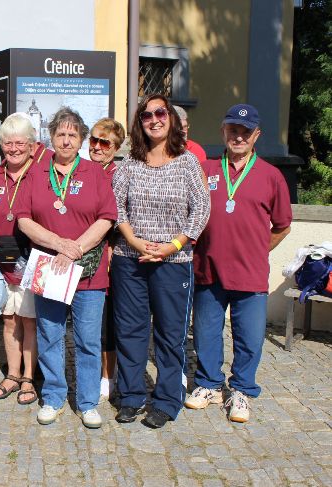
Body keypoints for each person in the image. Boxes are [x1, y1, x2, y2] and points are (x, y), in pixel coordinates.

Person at [186, 104, 291, 423]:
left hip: (250, 273)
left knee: (249, 337)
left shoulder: (271, 176)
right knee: (206, 332)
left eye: (246, 132)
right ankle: (209, 384)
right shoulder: (206, 169)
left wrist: (258, 249)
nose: (239, 137)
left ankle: (242, 390)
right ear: (223, 131)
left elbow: (283, 225)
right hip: (209, 268)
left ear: (256, 135)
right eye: (233, 130)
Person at [111, 94, 210, 428]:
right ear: (140, 123)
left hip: (173, 261)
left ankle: (167, 401)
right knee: (131, 331)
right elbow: (116, 206)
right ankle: (131, 396)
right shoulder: (130, 163)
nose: (154, 119)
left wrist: (173, 245)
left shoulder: (188, 162)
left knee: (170, 334)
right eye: (147, 115)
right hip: (130, 260)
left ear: (171, 118)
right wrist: (134, 240)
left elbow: (201, 208)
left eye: (160, 113)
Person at [15, 107, 117, 428]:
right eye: (61, 134)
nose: (66, 140)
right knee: (50, 335)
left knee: (88, 340)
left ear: (82, 139)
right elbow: (23, 220)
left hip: (88, 271)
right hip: (50, 268)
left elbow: (107, 218)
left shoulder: (95, 173)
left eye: (73, 134)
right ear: (51, 137)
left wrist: (76, 249)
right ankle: (54, 396)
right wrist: (59, 243)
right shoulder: (36, 173)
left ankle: (87, 402)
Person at [0, 113, 38, 405]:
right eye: (8, 143)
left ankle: (29, 377)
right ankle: (13, 374)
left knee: (29, 320)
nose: (13, 148)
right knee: (8, 319)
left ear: (31, 144)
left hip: (32, 257)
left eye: (19, 143)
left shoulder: (40, 173)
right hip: (2, 259)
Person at [87, 117, 126, 399]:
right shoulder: (80, 170)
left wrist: (112, 243)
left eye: (105, 143)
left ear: (116, 148)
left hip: (110, 254)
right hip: (80, 252)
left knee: (107, 319)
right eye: (94, 140)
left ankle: (108, 375)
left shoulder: (118, 175)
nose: (97, 147)